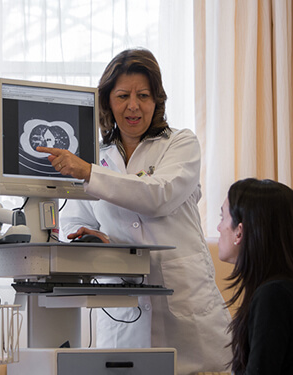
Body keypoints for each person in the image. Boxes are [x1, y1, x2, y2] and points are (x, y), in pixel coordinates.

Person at [36, 48, 232, 374]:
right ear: (108, 101)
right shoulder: (96, 156)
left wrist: (88, 173)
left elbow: (159, 195)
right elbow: (76, 221)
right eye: (123, 95)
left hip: (185, 309)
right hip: (122, 314)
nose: (133, 106)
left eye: (143, 95)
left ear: (157, 100)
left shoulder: (179, 144)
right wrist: (98, 240)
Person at [218, 178, 293, 375]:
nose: (219, 228)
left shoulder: (274, 296)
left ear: (240, 232)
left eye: (222, 218)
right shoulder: (289, 289)